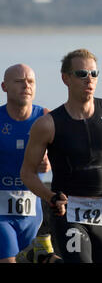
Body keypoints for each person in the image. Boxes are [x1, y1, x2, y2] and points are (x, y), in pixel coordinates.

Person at [21, 49, 102, 263]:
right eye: (82, 74)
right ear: (66, 78)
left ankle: (46, 259)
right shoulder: (48, 124)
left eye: (94, 73)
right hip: (68, 211)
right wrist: (50, 197)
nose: (89, 79)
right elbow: (27, 173)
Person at [0, 64, 58, 263]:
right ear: (4, 87)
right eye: (19, 81)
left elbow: (65, 154)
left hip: (31, 212)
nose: (26, 86)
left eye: (31, 81)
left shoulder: (44, 117)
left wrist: (49, 162)